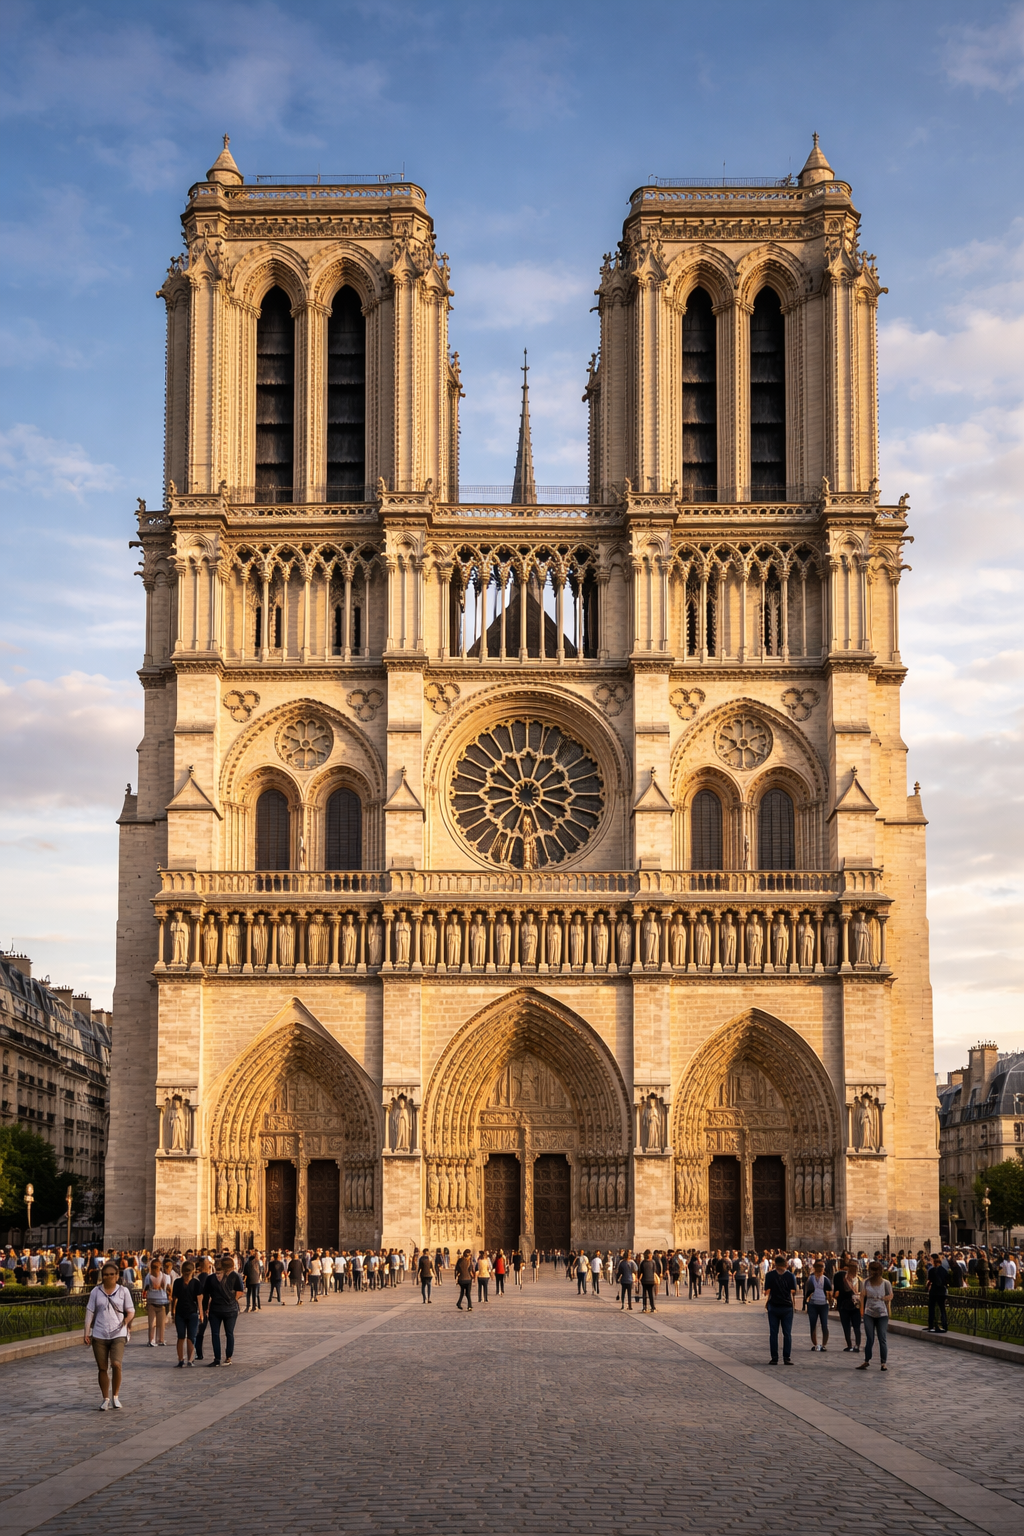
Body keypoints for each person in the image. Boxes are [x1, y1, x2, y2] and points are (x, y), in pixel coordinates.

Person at [84, 1259, 135, 1409]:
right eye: (106, 1274)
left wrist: (125, 1321)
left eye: (112, 1274)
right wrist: (86, 1332)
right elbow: (90, 1312)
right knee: (102, 1367)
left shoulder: (123, 1291)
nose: (109, 1277)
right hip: (99, 1333)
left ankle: (116, 1396)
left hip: (118, 1333)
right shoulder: (96, 1292)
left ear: (117, 1275)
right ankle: (105, 1398)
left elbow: (131, 1310)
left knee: (116, 1364)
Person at [206, 1255, 244, 1366]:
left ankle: (217, 1358)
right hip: (230, 1309)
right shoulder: (235, 1276)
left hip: (215, 1309)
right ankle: (228, 1357)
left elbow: (207, 1295)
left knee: (215, 1334)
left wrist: (205, 1308)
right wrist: (233, 1300)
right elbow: (240, 1292)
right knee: (229, 1333)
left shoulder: (211, 1278)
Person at [858, 1260, 892, 1371]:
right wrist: (862, 1310)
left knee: (882, 1337)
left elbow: (890, 1295)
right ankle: (867, 1360)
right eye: (873, 1270)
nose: (875, 1273)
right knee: (870, 1338)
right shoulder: (866, 1282)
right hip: (869, 1312)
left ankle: (883, 1362)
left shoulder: (885, 1283)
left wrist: (886, 1300)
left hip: (882, 1312)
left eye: (877, 1270)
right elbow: (862, 1296)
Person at [764, 1254, 797, 1365]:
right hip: (787, 1307)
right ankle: (786, 1357)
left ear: (775, 1264)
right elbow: (793, 1291)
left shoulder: (769, 1275)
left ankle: (774, 1357)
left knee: (774, 1333)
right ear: (785, 1264)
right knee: (787, 1333)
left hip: (773, 1306)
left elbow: (766, 1291)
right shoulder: (790, 1276)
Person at [171, 1260, 202, 1366]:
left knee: (182, 1337)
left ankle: (182, 1360)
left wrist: (172, 1311)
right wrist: (201, 1314)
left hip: (182, 1312)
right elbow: (199, 1300)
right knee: (189, 1337)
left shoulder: (178, 1282)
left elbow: (174, 1299)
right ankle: (189, 1359)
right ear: (193, 1270)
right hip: (191, 1312)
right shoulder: (195, 1283)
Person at [804, 1259, 832, 1351]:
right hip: (813, 1303)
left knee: (824, 1324)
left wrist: (830, 1301)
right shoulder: (811, 1279)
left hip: (823, 1304)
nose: (820, 1270)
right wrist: (806, 1302)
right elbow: (807, 1291)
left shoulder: (825, 1279)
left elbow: (829, 1292)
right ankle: (816, 1344)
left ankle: (823, 1345)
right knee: (813, 1324)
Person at [834, 1260, 862, 1352]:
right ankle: (849, 1345)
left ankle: (857, 1345)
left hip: (856, 1306)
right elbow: (836, 1290)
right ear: (849, 1267)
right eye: (852, 1267)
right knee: (846, 1326)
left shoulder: (860, 1280)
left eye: (856, 1267)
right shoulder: (841, 1277)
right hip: (844, 1305)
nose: (854, 1269)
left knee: (857, 1326)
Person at [144, 1257, 171, 1347]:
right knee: (159, 1323)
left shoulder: (148, 1276)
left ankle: (153, 1340)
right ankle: (159, 1339)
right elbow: (169, 1289)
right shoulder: (165, 1277)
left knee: (153, 1323)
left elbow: (145, 1288)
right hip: (161, 1301)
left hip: (153, 1301)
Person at [925, 1253, 949, 1332]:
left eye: (931, 1259)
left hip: (934, 1291)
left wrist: (926, 1288)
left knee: (931, 1309)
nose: (930, 1261)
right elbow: (947, 1281)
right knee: (942, 1309)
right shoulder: (944, 1270)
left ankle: (931, 1326)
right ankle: (944, 1325)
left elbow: (929, 1281)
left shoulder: (931, 1270)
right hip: (942, 1291)